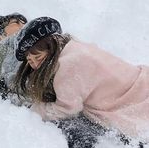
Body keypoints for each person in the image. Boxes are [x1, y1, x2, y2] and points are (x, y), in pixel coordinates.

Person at [13, 17, 149, 147]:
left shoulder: (67, 65)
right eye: (30, 61)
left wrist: (35, 110)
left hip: (135, 104)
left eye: (38, 57)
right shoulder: (74, 46)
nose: (35, 65)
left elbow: (65, 110)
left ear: (51, 46)